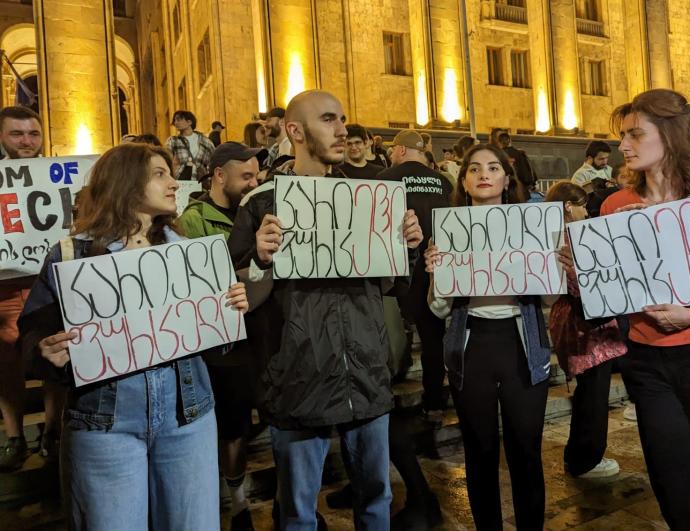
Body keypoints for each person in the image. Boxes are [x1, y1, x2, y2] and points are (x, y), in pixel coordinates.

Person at [17, 143, 249, 530]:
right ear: (125, 183)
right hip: (105, 427)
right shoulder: (71, 256)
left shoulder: (190, 254)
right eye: (160, 174)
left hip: (187, 420)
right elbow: (32, 334)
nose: (175, 183)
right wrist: (45, 350)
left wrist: (229, 308)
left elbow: (216, 343)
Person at [228, 89, 423, 530]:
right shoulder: (260, 205)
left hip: (366, 372)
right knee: (297, 513)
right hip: (299, 379)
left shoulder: (371, 199)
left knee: (376, 501)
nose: (342, 130)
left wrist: (405, 247)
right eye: (329, 120)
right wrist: (259, 258)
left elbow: (391, 285)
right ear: (295, 131)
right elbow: (240, 300)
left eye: (343, 119)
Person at [599, 88, 690, 529]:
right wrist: (581, 271)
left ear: (671, 134)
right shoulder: (614, 207)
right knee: (673, 475)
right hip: (645, 360)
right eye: (621, 136)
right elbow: (610, 294)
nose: (623, 146)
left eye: (634, 134)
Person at [424, 144, 550, 530]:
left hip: (522, 343)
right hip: (472, 344)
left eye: (493, 167)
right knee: (479, 452)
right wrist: (436, 274)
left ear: (506, 179)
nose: (484, 174)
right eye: (474, 168)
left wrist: (555, 265)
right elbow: (439, 309)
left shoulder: (531, 225)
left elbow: (547, 300)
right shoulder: (449, 229)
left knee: (526, 450)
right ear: (463, 180)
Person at [179, 141, 262, 531]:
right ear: (218, 175)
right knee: (229, 427)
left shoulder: (261, 209)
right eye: (246, 176)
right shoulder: (193, 221)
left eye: (257, 175)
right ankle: (235, 504)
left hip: (257, 335)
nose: (254, 182)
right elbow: (201, 281)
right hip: (220, 344)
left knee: (242, 428)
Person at [0, 106, 65, 471]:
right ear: (1, 137)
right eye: (17, 134)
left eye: (33, 134)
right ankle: (14, 437)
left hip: (49, 287)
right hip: (5, 291)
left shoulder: (60, 177)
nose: (27, 141)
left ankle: (52, 432)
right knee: (5, 366)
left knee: (52, 357)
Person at [546, 181, 622, 479]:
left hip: (570, 318)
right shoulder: (572, 237)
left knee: (588, 390)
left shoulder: (549, 234)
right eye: (580, 205)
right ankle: (586, 459)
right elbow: (581, 282)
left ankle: (578, 455)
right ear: (568, 206)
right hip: (585, 321)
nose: (585, 211)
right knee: (593, 392)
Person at [378, 129, 453, 421]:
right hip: (432, 269)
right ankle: (433, 401)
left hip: (394, 272)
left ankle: (383, 403)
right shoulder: (443, 182)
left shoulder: (385, 179)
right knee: (433, 338)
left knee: (389, 336)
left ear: (398, 150)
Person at [165, 110, 215, 180]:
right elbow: (167, 160)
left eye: (179, 119)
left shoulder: (206, 141)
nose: (176, 123)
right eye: (174, 120)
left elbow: (213, 161)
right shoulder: (173, 140)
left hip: (201, 181)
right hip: (181, 181)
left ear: (189, 122)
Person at [491, 129, 537, 199]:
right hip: (521, 192)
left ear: (499, 142)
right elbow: (527, 176)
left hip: (503, 194)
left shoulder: (496, 155)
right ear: (509, 140)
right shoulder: (520, 154)